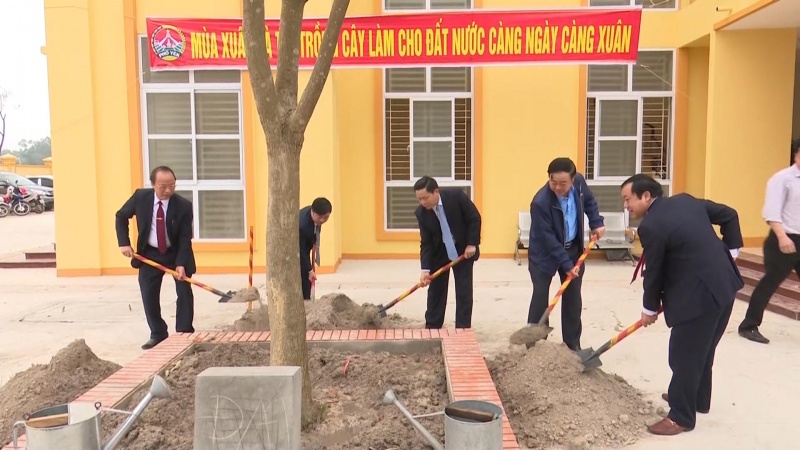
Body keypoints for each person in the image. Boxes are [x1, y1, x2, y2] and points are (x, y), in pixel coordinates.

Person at [621, 173, 743, 436]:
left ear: (645, 196)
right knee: (704, 349)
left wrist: (649, 309)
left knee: (684, 356)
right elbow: (730, 214)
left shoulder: (651, 226)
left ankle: (680, 416)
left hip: (698, 296)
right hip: (724, 286)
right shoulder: (687, 201)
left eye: (628, 199)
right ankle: (698, 399)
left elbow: (654, 271)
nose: (626, 206)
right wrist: (730, 254)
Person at [527, 157, 605, 351]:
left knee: (572, 298)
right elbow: (548, 238)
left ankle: (572, 345)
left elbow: (589, 202)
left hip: (573, 249)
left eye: (563, 183)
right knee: (540, 296)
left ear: (572, 180)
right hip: (544, 253)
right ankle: (536, 346)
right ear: (549, 178)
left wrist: (596, 222)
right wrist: (566, 263)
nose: (558, 187)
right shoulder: (540, 202)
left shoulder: (579, 183)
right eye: (554, 182)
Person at [115, 166, 196, 350]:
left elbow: (185, 238)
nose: (167, 190)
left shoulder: (183, 206)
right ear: (153, 184)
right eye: (162, 186)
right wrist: (124, 243)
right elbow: (121, 216)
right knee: (148, 293)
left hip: (176, 252)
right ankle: (158, 332)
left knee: (184, 292)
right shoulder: (140, 198)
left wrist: (181, 264)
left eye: (172, 185)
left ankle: (184, 332)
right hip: (149, 253)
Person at [738, 138, 800, 344]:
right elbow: (771, 211)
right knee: (770, 282)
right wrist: (782, 237)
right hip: (782, 239)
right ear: (796, 154)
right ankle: (749, 325)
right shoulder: (782, 179)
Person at [414, 176, 481, 329]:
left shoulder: (456, 197)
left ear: (436, 191)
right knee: (436, 290)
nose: (423, 202)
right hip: (440, 252)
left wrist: (472, 243)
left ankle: (462, 328)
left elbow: (474, 218)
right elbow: (426, 243)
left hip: (463, 250)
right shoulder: (421, 213)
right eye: (419, 199)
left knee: (463, 291)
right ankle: (433, 325)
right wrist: (425, 269)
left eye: (425, 198)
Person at [299, 197, 332, 301]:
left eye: (326, 217)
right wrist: (309, 270)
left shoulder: (315, 215)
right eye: (320, 217)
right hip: (293, 252)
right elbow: (301, 251)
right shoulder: (302, 225)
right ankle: (305, 303)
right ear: (313, 212)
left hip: (304, 247)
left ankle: (307, 299)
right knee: (304, 278)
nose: (322, 220)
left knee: (307, 280)